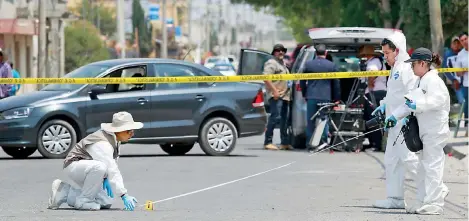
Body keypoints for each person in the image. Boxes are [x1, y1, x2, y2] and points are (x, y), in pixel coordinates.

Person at [388, 48, 450, 215]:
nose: (411, 68)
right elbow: (409, 102)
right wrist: (394, 116)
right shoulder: (420, 80)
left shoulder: (433, 81)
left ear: (423, 63)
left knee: (432, 167)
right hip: (424, 130)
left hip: (435, 131)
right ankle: (422, 200)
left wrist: (419, 106)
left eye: (413, 64)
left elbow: (437, 101)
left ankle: (435, 203)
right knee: (424, 168)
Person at [47, 112, 142, 211]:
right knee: (99, 167)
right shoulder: (103, 143)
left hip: (89, 168)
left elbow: (109, 163)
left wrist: (105, 178)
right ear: (118, 130)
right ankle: (84, 201)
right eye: (129, 131)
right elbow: (112, 169)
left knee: (106, 201)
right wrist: (124, 195)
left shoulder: (115, 139)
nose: (132, 133)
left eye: (132, 130)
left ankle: (63, 193)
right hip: (73, 166)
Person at [371, 32, 420, 209]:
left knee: (408, 159)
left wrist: (397, 115)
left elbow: (411, 97)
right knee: (392, 160)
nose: (385, 57)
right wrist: (384, 105)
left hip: (402, 121)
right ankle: (395, 198)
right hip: (392, 122)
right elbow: (393, 94)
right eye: (383, 53)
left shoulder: (406, 68)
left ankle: (433, 190)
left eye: (387, 53)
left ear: (397, 50)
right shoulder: (395, 68)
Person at [300, 44, 341, 150]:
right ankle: (323, 142)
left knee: (311, 120)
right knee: (324, 119)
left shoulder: (308, 65)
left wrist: (304, 94)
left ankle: (310, 144)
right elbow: (336, 83)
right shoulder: (331, 66)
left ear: (315, 53)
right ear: (326, 53)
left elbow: (302, 81)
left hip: (311, 96)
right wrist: (336, 98)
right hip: (325, 97)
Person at [263, 44, 293, 151]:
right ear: (274, 52)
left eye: (283, 50)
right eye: (278, 50)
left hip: (285, 96)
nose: (281, 52)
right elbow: (266, 78)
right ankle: (268, 142)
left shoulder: (282, 63)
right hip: (276, 96)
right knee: (275, 117)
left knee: (284, 120)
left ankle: (284, 142)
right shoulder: (272, 63)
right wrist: (274, 91)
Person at [358, 45, 387, 151]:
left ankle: (376, 144)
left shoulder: (373, 62)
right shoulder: (376, 61)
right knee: (373, 118)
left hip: (375, 93)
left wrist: (370, 83)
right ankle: (374, 142)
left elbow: (372, 72)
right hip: (377, 92)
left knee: (373, 118)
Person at [442, 36, 463, 104]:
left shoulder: (465, 52)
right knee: (462, 101)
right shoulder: (448, 55)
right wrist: (453, 80)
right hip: (457, 82)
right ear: (451, 45)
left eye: (458, 43)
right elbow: (445, 69)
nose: (456, 45)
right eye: (454, 43)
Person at [455, 32, 468, 127]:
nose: (465, 42)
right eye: (462, 40)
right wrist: (462, 71)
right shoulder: (460, 55)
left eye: (466, 39)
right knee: (467, 106)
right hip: (467, 84)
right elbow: (457, 73)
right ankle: (467, 125)